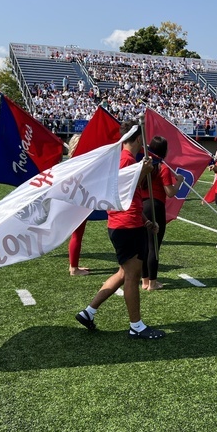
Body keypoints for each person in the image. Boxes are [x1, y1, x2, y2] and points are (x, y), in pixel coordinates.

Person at [76, 121, 165, 339]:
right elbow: (124, 192)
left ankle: (88, 312)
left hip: (126, 221)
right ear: (138, 138)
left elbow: (129, 199)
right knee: (132, 276)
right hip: (126, 225)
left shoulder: (123, 159)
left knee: (123, 273)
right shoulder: (126, 160)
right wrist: (143, 172)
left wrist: (145, 220)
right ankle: (136, 326)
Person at [140, 136, 184, 290]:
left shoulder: (144, 165)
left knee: (144, 246)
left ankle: (145, 281)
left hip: (142, 206)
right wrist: (179, 182)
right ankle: (152, 283)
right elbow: (170, 192)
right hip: (156, 206)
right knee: (154, 246)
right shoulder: (163, 167)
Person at [67, 134, 91, 276]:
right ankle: (74, 268)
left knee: (77, 234)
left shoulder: (71, 162)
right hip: (78, 200)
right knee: (77, 234)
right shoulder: (79, 163)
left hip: (75, 199)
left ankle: (73, 265)